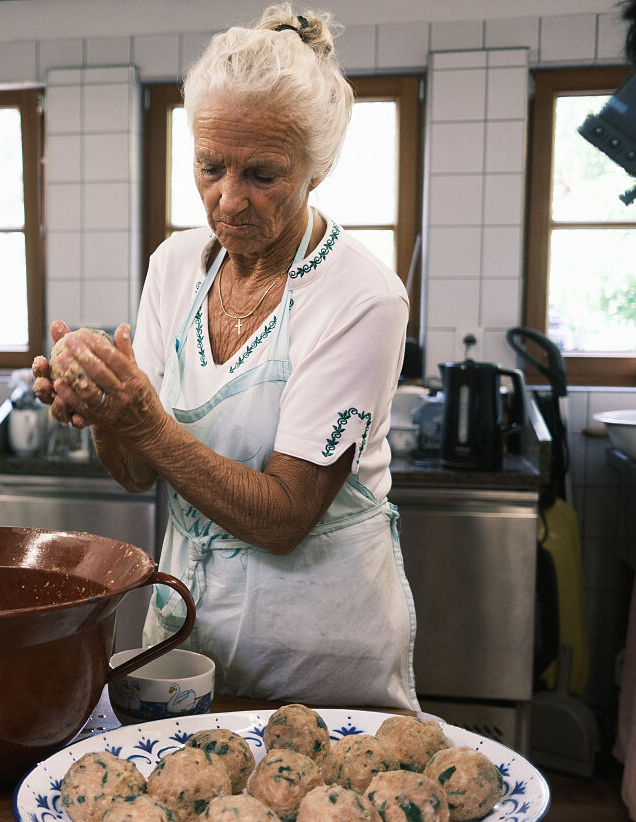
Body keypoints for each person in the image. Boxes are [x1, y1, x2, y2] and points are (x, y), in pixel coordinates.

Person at [32, 4, 417, 710]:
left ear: (318, 168)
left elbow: (284, 518)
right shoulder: (176, 266)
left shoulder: (360, 296)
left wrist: (143, 420)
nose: (227, 200)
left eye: (262, 175)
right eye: (209, 166)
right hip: (187, 635)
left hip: (317, 655)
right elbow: (135, 474)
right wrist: (105, 411)